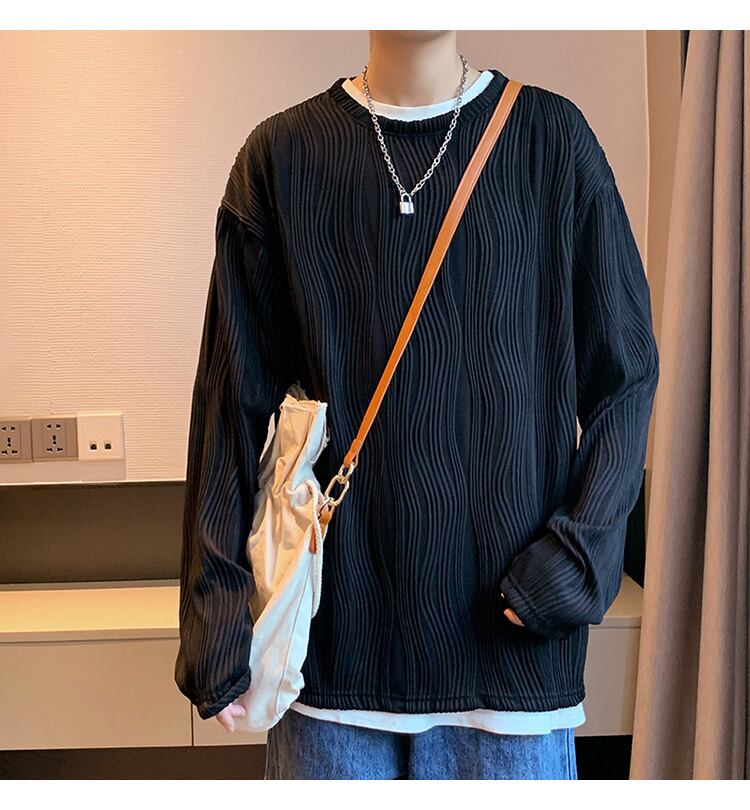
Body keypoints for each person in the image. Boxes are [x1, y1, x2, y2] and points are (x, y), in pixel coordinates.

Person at [174, 30, 660, 780]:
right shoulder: (283, 158)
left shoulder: (551, 142)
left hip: (509, 667)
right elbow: (228, 400)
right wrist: (216, 608)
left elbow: (625, 377)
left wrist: (577, 560)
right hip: (331, 662)